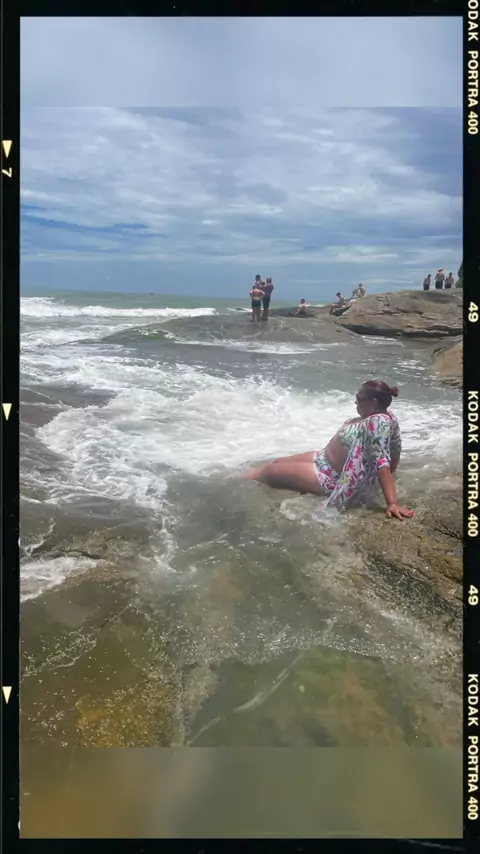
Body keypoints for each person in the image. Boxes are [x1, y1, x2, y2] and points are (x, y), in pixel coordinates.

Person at [243, 380, 414, 520]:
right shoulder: (384, 416)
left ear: (373, 402)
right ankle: (244, 475)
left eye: (359, 399)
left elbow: (382, 460)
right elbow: (395, 445)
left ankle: (237, 480)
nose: (355, 402)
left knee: (271, 471)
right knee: (276, 462)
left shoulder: (378, 422)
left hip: (330, 477)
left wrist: (392, 503)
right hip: (321, 459)